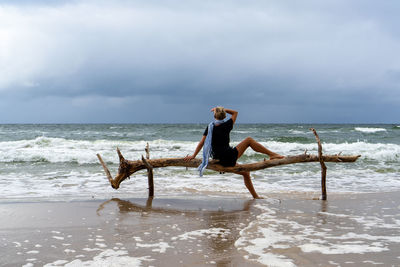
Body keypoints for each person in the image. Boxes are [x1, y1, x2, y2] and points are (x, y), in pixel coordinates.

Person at [184, 107, 284, 199]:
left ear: (214, 116)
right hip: (228, 157)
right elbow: (235, 113)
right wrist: (222, 109)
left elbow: (202, 143)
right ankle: (272, 154)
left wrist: (193, 155)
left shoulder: (210, 127)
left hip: (218, 159)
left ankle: (255, 197)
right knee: (249, 140)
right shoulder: (227, 124)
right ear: (224, 116)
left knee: (245, 173)